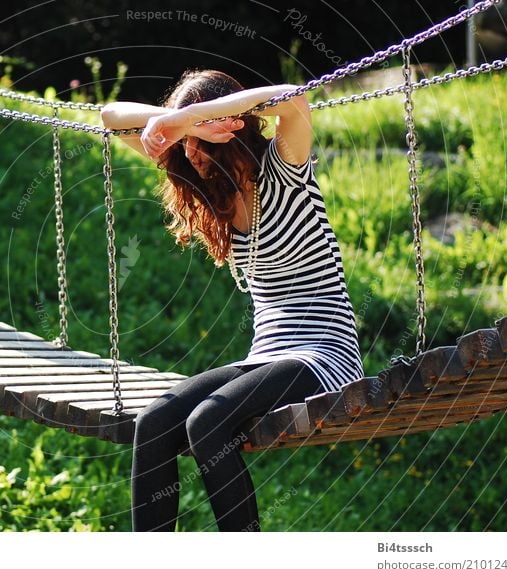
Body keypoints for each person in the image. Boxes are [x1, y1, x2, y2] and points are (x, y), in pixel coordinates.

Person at [99, 69, 365, 532]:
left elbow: (292, 99)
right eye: (186, 141)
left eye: (201, 140)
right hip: (267, 354)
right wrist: (184, 124)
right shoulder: (212, 186)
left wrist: (198, 115)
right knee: (155, 422)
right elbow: (110, 116)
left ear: (233, 128)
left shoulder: (285, 169)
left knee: (208, 422)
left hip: (325, 354)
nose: (191, 153)